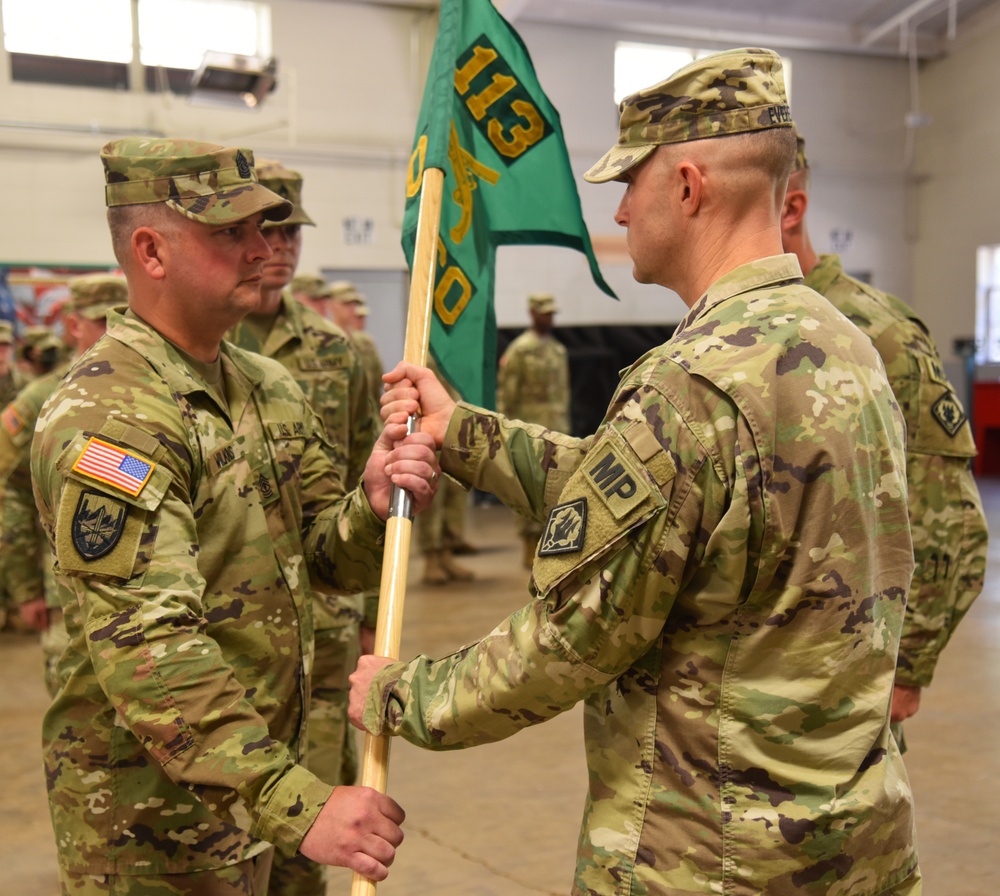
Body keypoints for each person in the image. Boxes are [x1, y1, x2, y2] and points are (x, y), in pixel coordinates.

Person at [350, 48, 921, 895]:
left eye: (630, 184)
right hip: (847, 844)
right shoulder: (843, 347)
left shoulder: (689, 385)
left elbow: (572, 639)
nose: (618, 209)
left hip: (708, 855)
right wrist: (461, 432)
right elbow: (667, 501)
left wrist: (404, 693)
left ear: (687, 187)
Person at [30, 137, 440, 895]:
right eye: (231, 232)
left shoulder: (266, 383)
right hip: (161, 828)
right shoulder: (111, 416)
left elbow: (325, 558)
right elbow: (149, 649)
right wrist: (299, 803)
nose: (264, 250)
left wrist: (373, 505)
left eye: (266, 228)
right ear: (151, 252)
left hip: (268, 793)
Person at [781, 132, 988, 743]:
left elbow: (947, 516)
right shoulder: (726, 333)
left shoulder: (875, 333)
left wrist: (908, 666)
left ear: (790, 208)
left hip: (842, 681)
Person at [226, 158, 380, 896]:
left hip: (321, 629)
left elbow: (357, 489)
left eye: (292, 231)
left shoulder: (333, 352)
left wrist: (374, 615)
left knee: (315, 817)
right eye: (267, 229)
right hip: (224, 628)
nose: (281, 248)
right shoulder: (202, 345)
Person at [0, 273, 126, 693]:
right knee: (78, 713)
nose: (116, 331)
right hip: (65, 591)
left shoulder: (149, 387)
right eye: (103, 321)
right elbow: (11, 492)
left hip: (146, 588)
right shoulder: (42, 398)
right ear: (74, 326)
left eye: (125, 318)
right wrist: (24, 586)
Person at [496, 292, 571, 567]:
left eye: (552, 313)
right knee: (529, 487)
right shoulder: (520, 350)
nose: (549, 318)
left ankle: (551, 544)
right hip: (529, 429)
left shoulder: (557, 350)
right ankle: (529, 545)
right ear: (532, 314)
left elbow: (563, 392)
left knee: (556, 488)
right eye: (544, 312)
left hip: (556, 429)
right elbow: (507, 394)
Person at [328, 281, 385, 409]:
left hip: (366, 415)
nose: (351, 308)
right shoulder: (321, 340)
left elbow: (376, 384)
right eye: (345, 303)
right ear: (330, 305)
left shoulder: (365, 343)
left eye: (354, 303)